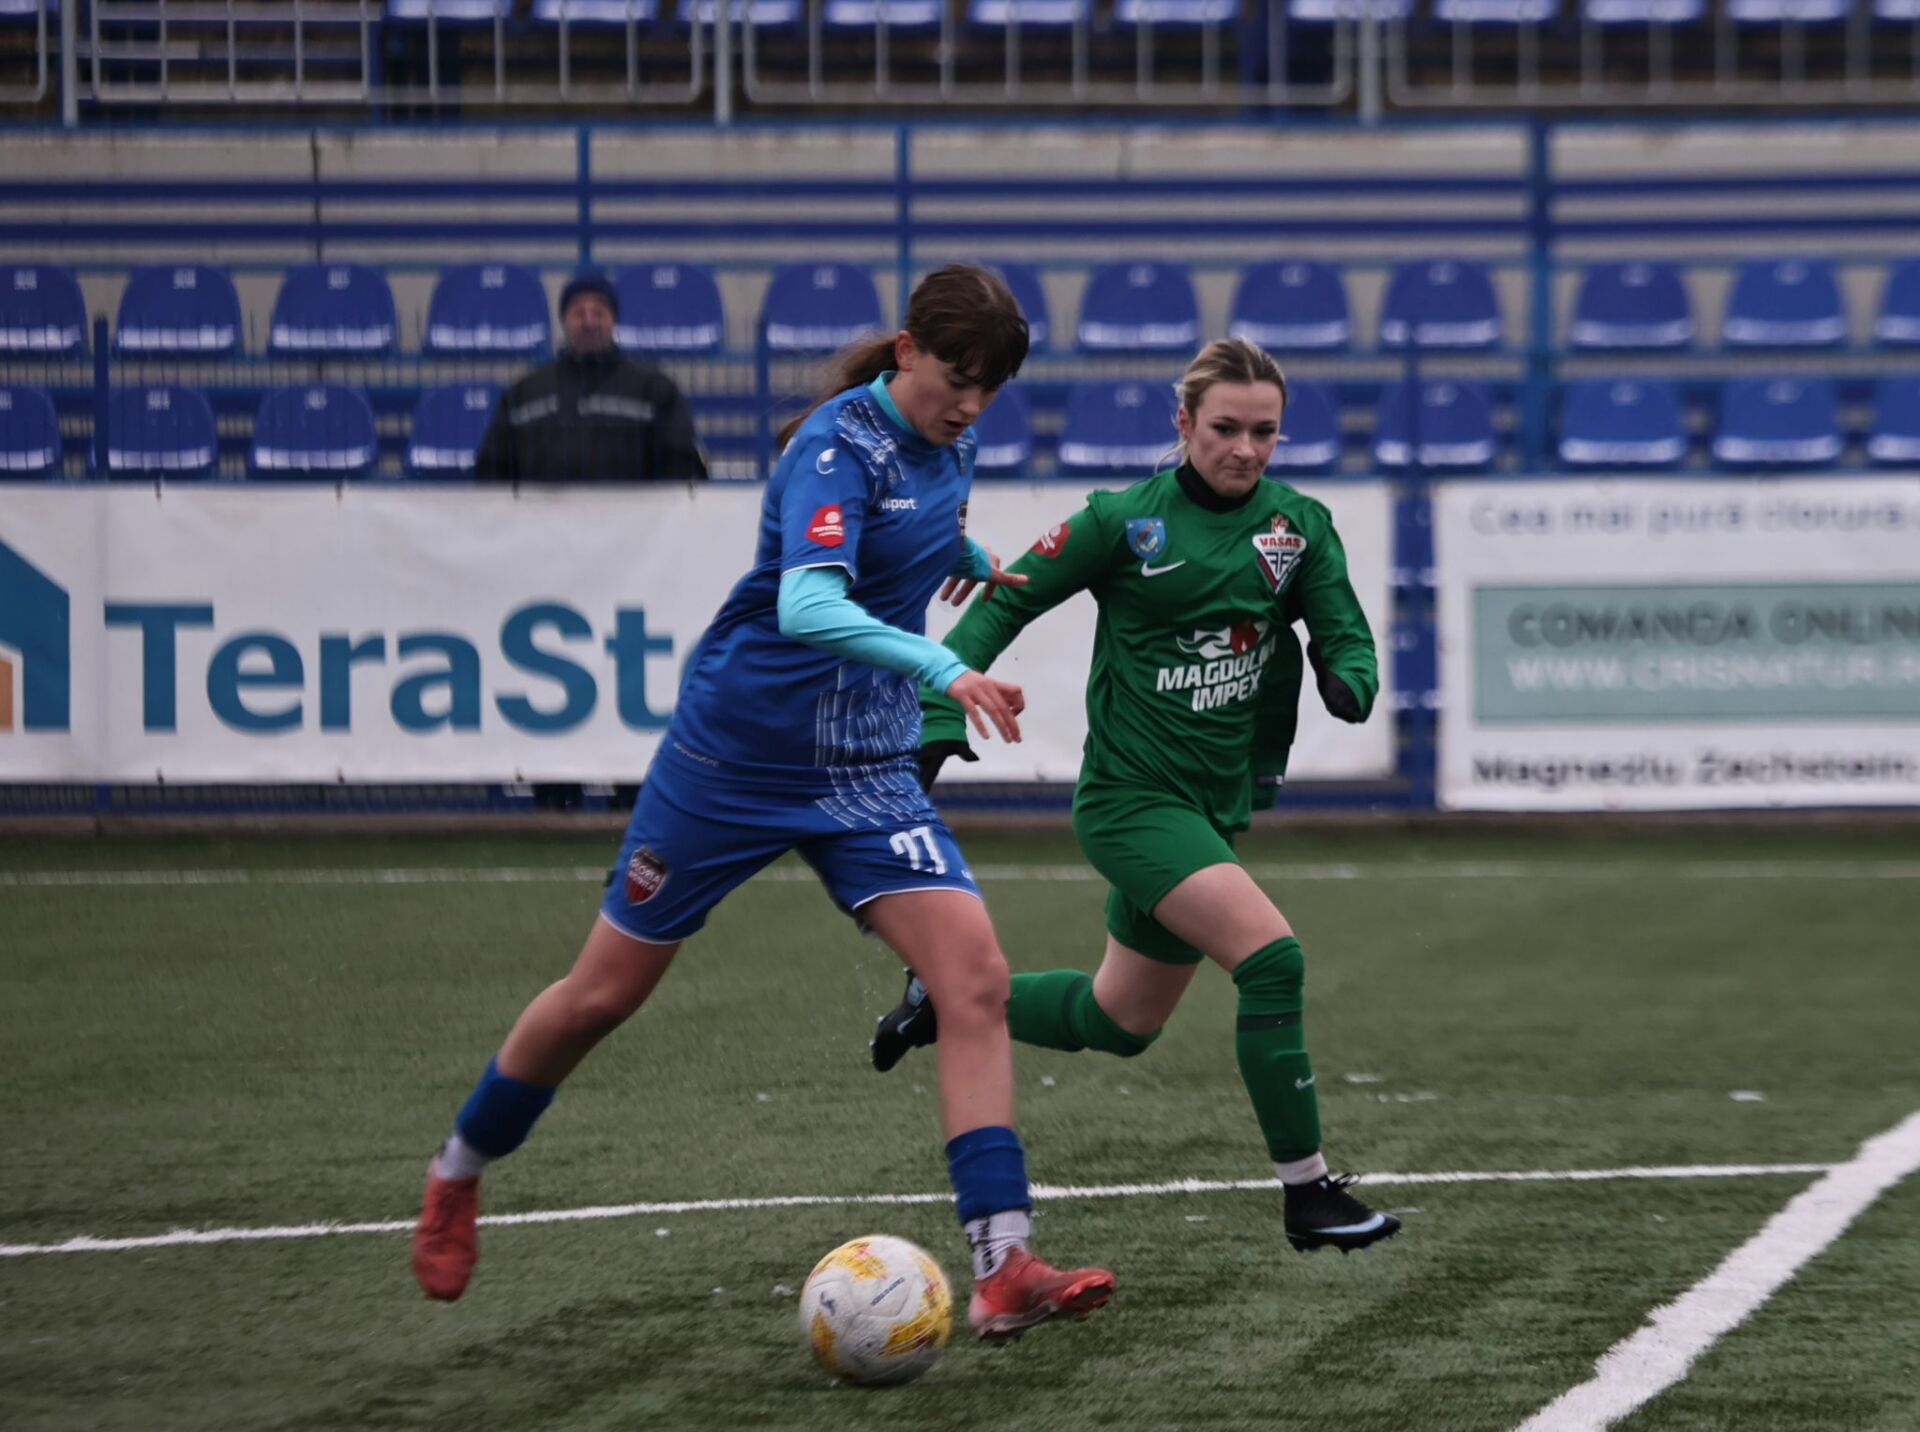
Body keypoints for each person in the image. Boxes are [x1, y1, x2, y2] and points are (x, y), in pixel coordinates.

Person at [414, 264, 1117, 1340]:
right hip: (734, 759)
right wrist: (945, 667)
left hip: (865, 767)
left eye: (991, 388)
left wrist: (968, 555)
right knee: (601, 995)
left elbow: (915, 525)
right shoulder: (833, 447)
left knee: (973, 977)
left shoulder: (953, 442)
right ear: (907, 352)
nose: (972, 405)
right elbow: (807, 603)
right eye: (957, 379)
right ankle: (459, 1168)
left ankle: (1002, 1263)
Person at [868, 337, 1401, 1256]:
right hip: (1130, 804)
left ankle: (945, 998)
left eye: (1264, 431)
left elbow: (1345, 629)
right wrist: (940, 708)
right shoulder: (1121, 522)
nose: (1245, 448)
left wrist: (1347, 674)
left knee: (1120, 1021)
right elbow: (1005, 601)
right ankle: (1308, 1192)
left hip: (1211, 811)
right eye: (1225, 428)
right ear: (1184, 422)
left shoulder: (1299, 526)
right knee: (1273, 961)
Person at [474, 268, 709, 485]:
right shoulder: (523, 394)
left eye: (599, 312)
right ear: (564, 321)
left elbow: (681, 470)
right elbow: (491, 472)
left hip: (630, 518)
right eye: (578, 312)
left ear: (613, 320)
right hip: (540, 517)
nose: (588, 322)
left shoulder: (655, 392)